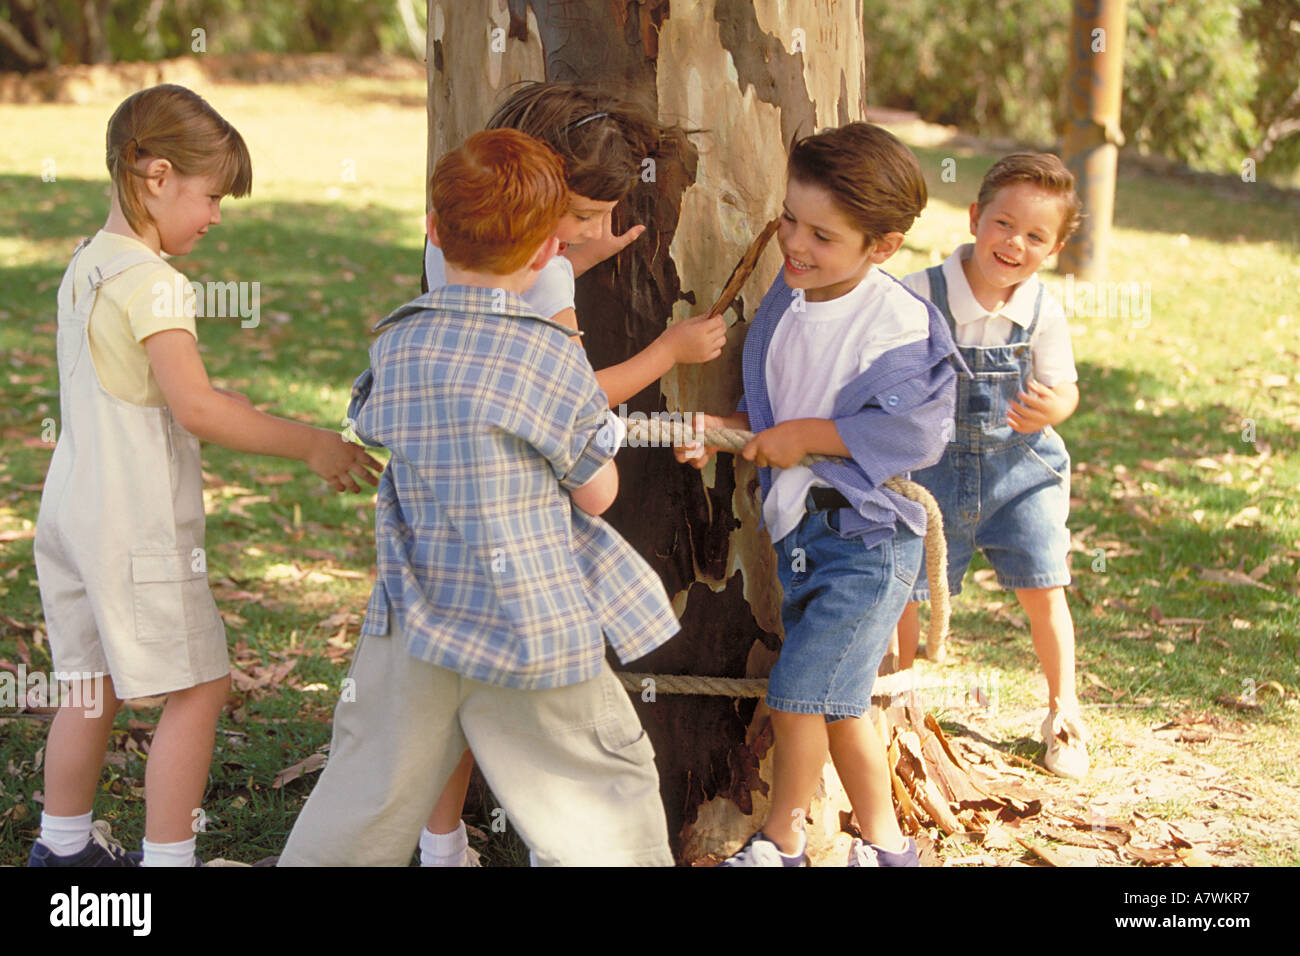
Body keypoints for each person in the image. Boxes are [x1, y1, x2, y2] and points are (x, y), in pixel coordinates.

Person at [279, 128, 680, 867]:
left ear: (434, 232)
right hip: (533, 619)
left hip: (415, 618)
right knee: (598, 792)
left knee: (365, 789)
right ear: (543, 253)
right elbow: (596, 494)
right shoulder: (550, 355)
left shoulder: (394, 344)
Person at [30, 84, 381, 868]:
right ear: (154, 176)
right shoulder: (158, 282)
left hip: (73, 515)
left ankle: (60, 850)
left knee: (90, 686)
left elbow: (132, 384)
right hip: (137, 527)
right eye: (211, 196)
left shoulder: (89, 263)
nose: (217, 215)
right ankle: (168, 862)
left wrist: (215, 397)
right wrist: (311, 443)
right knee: (199, 687)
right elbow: (195, 411)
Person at [418, 80, 724, 867]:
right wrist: (668, 353)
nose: (593, 229)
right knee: (549, 704)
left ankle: (440, 837)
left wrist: (580, 248)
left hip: (443, 503)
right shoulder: (546, 279)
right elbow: (573, 398)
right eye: (582, 213)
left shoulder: (454, 239)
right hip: (526, 517)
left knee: (451, 680)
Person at [677, 122, 962, 866]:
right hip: (804, 544)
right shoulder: (790, 298)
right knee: (839, 709)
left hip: (865, 545)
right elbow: (778, 418)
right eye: (789, 222)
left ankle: (781, 843)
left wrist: (811, 436)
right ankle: (891, 849)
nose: (796, 246)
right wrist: (723, 430)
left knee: (799, 694)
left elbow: (916, 431)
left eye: (822, 236)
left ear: (883, 247)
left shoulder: (896, 324)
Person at [896, 152, 1088, 779]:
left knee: (1044, 584)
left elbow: (1066, 390)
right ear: (976, 217)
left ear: (1053, 248)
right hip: (930, 468)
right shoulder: (919, 294)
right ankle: (896, 696)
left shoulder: (1041, 312)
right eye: (1005, 224)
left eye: (1036, 236)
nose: (1015, 243)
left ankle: (1064, 710)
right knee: (904, 583)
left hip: (1019, 469)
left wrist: (1050, 406)